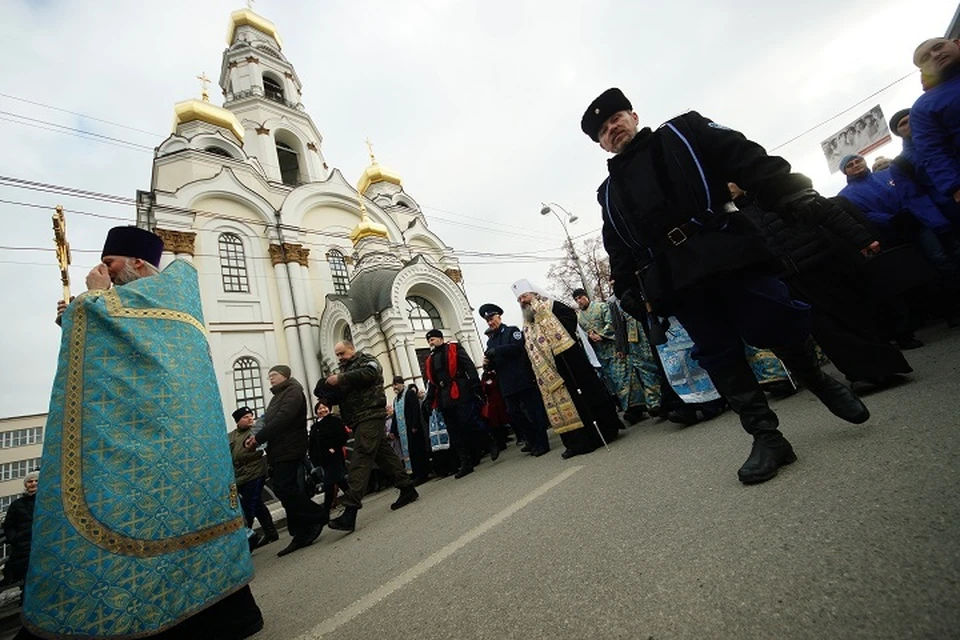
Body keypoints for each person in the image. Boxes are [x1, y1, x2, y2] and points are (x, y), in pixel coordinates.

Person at [581, 88, 870, 485]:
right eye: (603, 130)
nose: (612, 128)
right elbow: (618, 245)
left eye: (616, 118)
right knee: (718, 355)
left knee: (775, 317)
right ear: (600, 144)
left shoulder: (684, 132)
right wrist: (629, 287)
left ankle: (818, 380)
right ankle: (767, 438)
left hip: (727, 249)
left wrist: (791, 193)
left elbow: (747, 158)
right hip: (676, 279)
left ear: (633, 115)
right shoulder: (608, 192)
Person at [23, 226, 262, 640]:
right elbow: (122, 362)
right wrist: (84, 315)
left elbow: (126, 333)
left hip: (168, 442)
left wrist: (91, 303)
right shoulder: (152, 303)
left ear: (136, 262)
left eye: (110, 264)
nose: (103, 272)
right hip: (160, 443)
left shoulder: (168, 293)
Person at [730, 182, 914, 387]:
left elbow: (826, 211)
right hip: (787, 277)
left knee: (854, 316)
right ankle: (860, 374)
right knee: (824, 329)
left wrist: (862, 239)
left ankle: (886, 366)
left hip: (822, 261)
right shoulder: (733, 216)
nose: (727, 188)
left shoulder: (778, 190)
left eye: (729, 181)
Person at [512, 280, 622, 459]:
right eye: (519, 299)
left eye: (524, 296)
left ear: (533, 294)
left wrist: (552, 337)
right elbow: (529, 348)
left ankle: (597, 436)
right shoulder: (527, 323)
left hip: (569, 362)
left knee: (583, 398)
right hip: (549, 372)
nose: (522, 301)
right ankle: (574, 443)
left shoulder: (552, 306)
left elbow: (570, 319)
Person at [318, 341, 419, 533]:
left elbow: (371, 373)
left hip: (370, 415)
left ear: (351, 349)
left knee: (361, 456)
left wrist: (341, 378)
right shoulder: (345, 370)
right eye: (337, 355)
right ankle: (407, 489)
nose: (339, 358)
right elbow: (345, 394)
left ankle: (350, 510)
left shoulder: (366, 360)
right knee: (383, 454)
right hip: (357, 419)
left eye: (342, 353)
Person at [243, 365, 327, 557]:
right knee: (287, 488)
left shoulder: (293, 391)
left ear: (285, 376)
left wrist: (259, 437)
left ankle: (317, 515)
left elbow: (283, 419)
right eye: (269, 376)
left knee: (284, 488)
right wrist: (254, 436)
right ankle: (300, 531)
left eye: (273, 375)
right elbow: (266, 419)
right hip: (279, 449)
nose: (270, 379)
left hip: (290, 447)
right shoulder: (277, 397)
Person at [423, 329, 498, 477]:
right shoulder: (430, 360)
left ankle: (490, 441)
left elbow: (469, 365)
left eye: (433, 339)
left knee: (469, 422)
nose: (431, 342)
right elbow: (432, 382)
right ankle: (466, 463)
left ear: (440, 338)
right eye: (429, 340)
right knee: (454, 431)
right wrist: (429, 399)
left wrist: (475, 385)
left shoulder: (454, 348)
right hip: (444, 398)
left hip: (460, 390)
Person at [480, 303, 551, 457]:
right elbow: (493, 361)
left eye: (492, 318)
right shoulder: (490, 341)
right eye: (487, 321)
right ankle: (531, 439)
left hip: (522, 379)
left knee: (534, 412)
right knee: (513, 413)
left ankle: (542, 442)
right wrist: (487, 363)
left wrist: (496, 351)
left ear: (499, 316)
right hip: (506, 384)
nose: (490, 322)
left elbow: (518, 348)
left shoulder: (512, 331)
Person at [909, 38, 960, 207]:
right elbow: (933, 152)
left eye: (938, 47)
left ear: (956, 43)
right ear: (923, 70)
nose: (935, 55)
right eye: (925, 58)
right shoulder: (923, 107)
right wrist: (954, 187)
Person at [607, 291, 662, 421]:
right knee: (644, 371)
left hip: (650, 330)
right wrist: (621, 347)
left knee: (658, 365)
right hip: (634, 340)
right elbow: (618, 325)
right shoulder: (613, 301)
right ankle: (654, 402)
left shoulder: (637, 289)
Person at [228, 407, 275, 551]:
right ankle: (270, 532)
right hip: (239, 475)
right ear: (238, 421)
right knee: (257, 504)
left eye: (251, 416)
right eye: (245, 417)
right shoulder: (231, 436)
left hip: (255, 472)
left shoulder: (256, 432)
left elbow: (261, 448)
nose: (250, 419)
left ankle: (248, 537)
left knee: (249, 505)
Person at [572, 288, 618, 396]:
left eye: (580, 298)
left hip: (613, 348)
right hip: (598, 353)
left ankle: (633, 407)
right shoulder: (579, 318)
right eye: (576, 299)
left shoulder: (601, 306)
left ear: (586, 296)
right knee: (609, 378)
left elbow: (611, 322)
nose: (579, 301)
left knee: (620, 376)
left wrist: (602, 335)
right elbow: (581, 335)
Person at [308, 399, 349, 519]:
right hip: (324, 460)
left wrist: (335, 447)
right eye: (320, 408)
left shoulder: (335, 421)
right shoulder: (315, 427)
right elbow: (312, 444)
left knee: (329, 484)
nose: (323, 410)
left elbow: (343, 435)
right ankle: (353, 498)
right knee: (340, 481)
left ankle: (325, 512)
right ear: (316, 411)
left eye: (325, 407)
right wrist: (314, 458)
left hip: (334, 457)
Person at [391, 376, 432, 483]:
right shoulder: (396, 399)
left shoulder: (409, 394)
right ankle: (414, 473)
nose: (394, 387)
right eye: (393, 385)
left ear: (401, 384)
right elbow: (395, 416)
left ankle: (422, 474)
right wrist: (393, 430)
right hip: (403, 431)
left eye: (396, 384)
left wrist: (415, 425)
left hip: (412, 429)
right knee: (410, 452)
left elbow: (415, 410)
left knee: (417, 451)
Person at [2, 472, 37, 589]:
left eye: (36, 481)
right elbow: (9, 525)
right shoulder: (17, 504)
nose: (33, 484)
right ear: (26, 485)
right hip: (22, 547)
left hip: (41, 545)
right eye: (30, 481)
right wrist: (15, 539)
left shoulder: (47, 503)